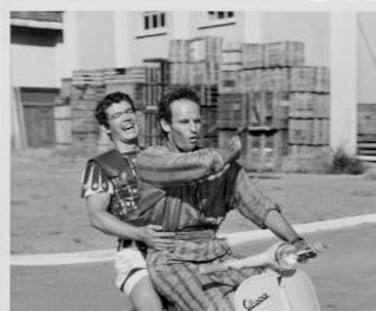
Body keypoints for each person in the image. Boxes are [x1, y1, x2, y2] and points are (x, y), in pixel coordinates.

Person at [135, 87, 316, 311]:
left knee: (276, 290)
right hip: (172, 259)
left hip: (214, 253)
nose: (193, 129)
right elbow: (197, 165)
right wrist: (228, 152)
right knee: (226, 307)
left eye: (197, 121)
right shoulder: (151, 160)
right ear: (165, 125)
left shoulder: (224, 168)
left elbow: (259, 205)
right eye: (184, 122)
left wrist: (295, 240)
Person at [80, 91, 242, 311]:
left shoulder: (160, 155)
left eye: (129, 111)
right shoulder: (101, 165)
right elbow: (96, 216)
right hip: (135, 252)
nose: (127, 118)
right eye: (117, 115)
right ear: (107, 127)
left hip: (177, 248)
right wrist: (141, 234)